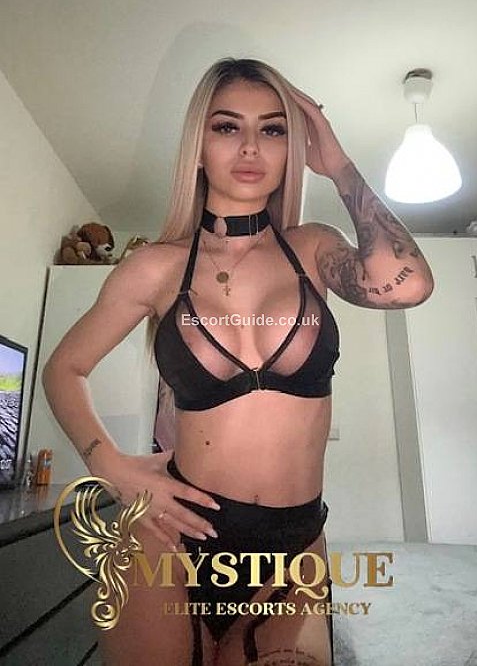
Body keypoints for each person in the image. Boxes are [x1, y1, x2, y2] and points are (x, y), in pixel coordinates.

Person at [42, 58, 434, 666]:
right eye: (227, 127)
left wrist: (337, 163)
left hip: (294, 546)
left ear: (290, 147)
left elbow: (408, 285)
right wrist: (111, 465)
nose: (251, 146)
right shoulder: (155, 268)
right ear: (197, 147)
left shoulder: (313, 248)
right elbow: (63, 369)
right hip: (172, 534)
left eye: (273, 129)